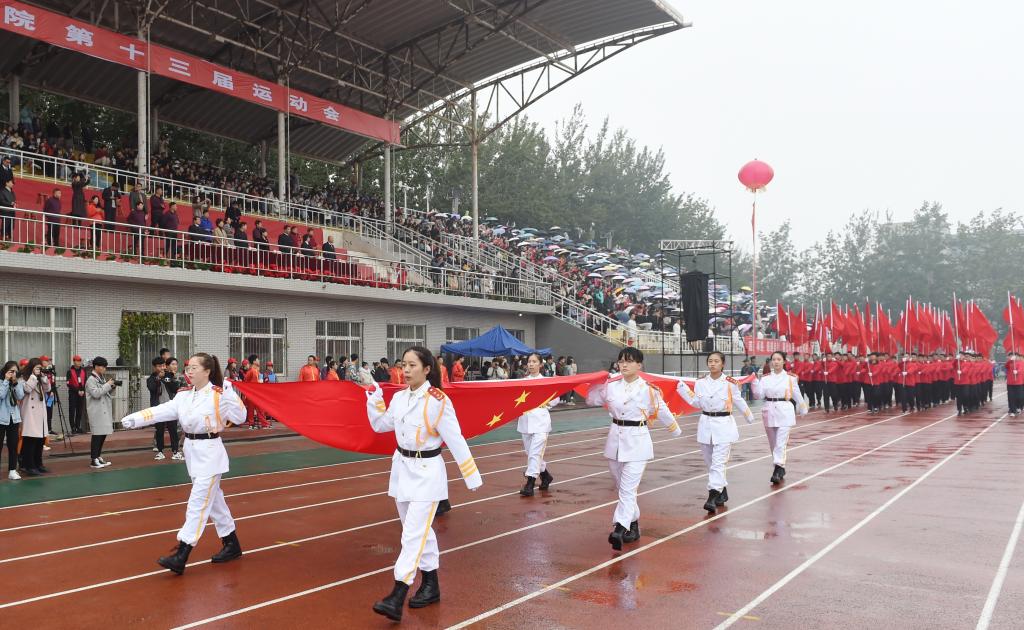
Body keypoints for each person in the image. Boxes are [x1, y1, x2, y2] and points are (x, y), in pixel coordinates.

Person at [365, 346, 482, 621]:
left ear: (427, 369)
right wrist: (373, 398)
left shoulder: (437, 401)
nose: (406, 370)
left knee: (412, 534)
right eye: (403, 365)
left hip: (427, 473)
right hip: (402, 470)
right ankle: (431, 585)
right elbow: (381, 425)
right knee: (420, 531)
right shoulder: (399, 398)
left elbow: (455, 438)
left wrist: (471, 476)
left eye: (412, 365)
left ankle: (398, 592)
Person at [120, 353, 247, 574]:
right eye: (188, 367)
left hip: (210, 453)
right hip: (192, 451)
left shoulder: (219, 394)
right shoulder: (184, 395)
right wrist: (135, 419)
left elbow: (240, 417)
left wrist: (229, 392)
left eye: (194, 368)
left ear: (207, 371)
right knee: (214, 502)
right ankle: (231, 543)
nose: (189, 371)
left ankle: (182, 552)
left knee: (197, 503)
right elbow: (162, 411)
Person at [585, 347, 682, 550]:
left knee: (628, 489)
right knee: (622, 488)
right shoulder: (611, 387)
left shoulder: (648, 389)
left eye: (629, 361)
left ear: (639, 365)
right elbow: (591, 400)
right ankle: (633, 524)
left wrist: (675, 429)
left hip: (638, 442)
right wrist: (598, 383)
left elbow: (662, 410)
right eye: (621, 361)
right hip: (615, 441)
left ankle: (619, 528)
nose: (624, 365)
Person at [677, 351, 754, 512]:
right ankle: (722, 491)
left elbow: (738, 400)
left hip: (724, 425)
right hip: (706, 425)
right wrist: (682, 390)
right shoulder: (700, 383)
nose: (712, 364)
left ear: (723, 364)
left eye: (716, 361)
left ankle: (712, 496)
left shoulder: (730, 383)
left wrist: (749, 416)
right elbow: (696, 403)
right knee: (710, 463)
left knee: (718, 463)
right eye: (710, 361)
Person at [751, 351, 809, 485]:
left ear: (784, 361)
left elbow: (797, 394)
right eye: (774, 359)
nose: (776, 362)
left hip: (785, 410)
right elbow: (759, 395)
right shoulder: (765, 378)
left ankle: (777, 468)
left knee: (780, 442)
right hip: (769, 410)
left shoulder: (790, 378)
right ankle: (780, 467)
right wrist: (754, 382)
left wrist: (802, 407)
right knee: (773, 443)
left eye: (778, 359)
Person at [515, 352, 559, 497]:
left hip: (541, 423)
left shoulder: (546, 381)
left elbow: (555, 399)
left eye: (534, 361)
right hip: (525, 422)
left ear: (540, 364)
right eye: (529, 361)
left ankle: (530, 484)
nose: (531, 364)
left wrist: (546, 402)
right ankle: (546, 476)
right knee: (531, 454)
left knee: (534, 454)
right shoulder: (522, 382)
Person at [17, 358, 51, 476]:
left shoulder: (39, 379)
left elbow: (48, 389)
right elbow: (26, 389)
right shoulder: (23, 379)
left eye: (40, 368)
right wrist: (33, 376)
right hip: (30, 413)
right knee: (30, 440)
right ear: (31, 368)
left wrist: (44, 378)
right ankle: (29, 465)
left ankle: (38, 463)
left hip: (40, 413)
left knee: (40, 440)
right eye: (37, 368)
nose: (39, 370)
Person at [85, 357, 117, 468]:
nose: (104, 369)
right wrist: (108, 385)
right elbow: (96, 394)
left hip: (103, 411)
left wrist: (111, 387)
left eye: (105, 367)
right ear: (96, 366)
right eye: (103, 366)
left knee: (102, 434)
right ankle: (94, 459)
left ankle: (98, 456)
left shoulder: (100, 378)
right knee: (97, 436)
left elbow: (105, 392)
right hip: (96, 412)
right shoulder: (91, 379)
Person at [1, 361, 25, 480]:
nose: (13, 373)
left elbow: (20, 396)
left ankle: (12, 470)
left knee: (13, 445)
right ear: (5, 371)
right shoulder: (1, 381)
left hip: (14, 418)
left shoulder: (17, 382)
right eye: (11, 371)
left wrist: (15, 383)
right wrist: (6, 380)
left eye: (15, 371)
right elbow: (1, 395)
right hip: (1, 418)